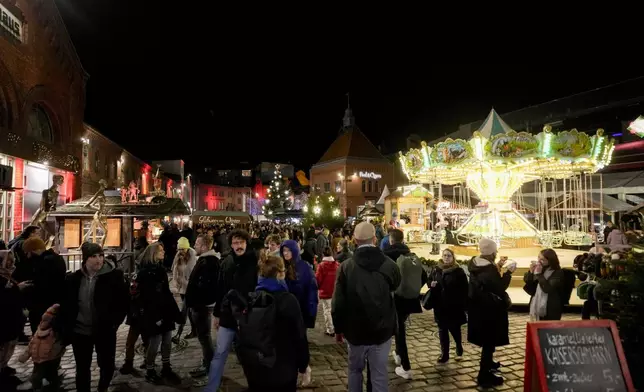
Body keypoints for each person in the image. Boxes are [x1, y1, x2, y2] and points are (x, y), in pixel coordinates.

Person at [332, 222, 401, 392]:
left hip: (355, 331)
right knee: (379, 374)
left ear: (355, 240)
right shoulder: (389, 264)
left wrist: (338, 328)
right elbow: (396, 285)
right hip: (382, 329)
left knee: (355, 371)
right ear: (375, 239)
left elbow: (338, 302)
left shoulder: (346, 267)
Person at [229, 253, 310, 391]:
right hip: (283, 367)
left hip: (255, 367)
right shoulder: (288, 300)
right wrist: (304, 365)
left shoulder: (251, 298)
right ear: (279, 274)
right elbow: (299, 336)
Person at [60, 242, 129, 392]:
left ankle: (102, 388)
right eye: (93, 256)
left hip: (104, 330)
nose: (98, 259)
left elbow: (123, 302)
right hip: (80, 332)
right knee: (82, 368)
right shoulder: (74, 279)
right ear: (85, 259)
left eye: (101, 255)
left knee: (107, 365)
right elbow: (67, 304)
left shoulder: (114, 276)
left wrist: (114, 323)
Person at [205, 229, 258, 392]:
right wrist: (216, 314)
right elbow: (220, 289)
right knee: (220, 352)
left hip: (247, 315)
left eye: (241, 242)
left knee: (249, 355)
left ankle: (255, 385)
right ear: (231, 245)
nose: (238, 245)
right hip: (228, 315)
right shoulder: (227, 262)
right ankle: (211, 388)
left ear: (246, 243)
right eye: (235, 243)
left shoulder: (255, 261)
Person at [467, 238, 515, 388]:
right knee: (489, 340)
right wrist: (508, 273)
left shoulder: (475, 263)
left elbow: (487, 282)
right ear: (492, 252)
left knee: (486, 339)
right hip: (489, 309)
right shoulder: (488, 270)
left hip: (478, 307)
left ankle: (489, 363)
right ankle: (484, 374)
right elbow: (499, 287)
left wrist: (498, 265)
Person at [134, 242, 182, 384]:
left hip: (165, 310)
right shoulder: (144, 273)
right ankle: (150, 369)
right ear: (154, 253)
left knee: (167, 340)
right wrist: (154, 316)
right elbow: (145, 297)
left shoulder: (160, 270)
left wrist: (175, 312)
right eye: (160, 250)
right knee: (154, 342)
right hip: (154, 313)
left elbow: (166, 293)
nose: (163, 252)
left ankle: (166, 366)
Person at [384, 229, 427, 379]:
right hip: (410, 299)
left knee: (399, 330)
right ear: (402, 239)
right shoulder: (411, 255)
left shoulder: (387, 255)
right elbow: (424, 276)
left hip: (394, 298)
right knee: (399, 328)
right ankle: (398, 355)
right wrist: (412, 289)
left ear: (391, 239)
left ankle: (406, 367)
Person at [184, 234, 220, 378]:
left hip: (202, 306)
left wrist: (196, 301)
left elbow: (206, 287)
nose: (195, 246)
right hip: (200, 305)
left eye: (197, 244)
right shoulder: (206, 260)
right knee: (204, 337)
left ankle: (209, 366)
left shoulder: (209, 262)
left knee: (204, 337)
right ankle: (208, 363)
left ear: (205, 246)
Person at [429, 248, 468, 363]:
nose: (446, 258)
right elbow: (429, 280)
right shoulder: (436, 269)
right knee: (442, 330)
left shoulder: (458, 271)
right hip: (440, 305)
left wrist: (463, 304)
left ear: (453, 257)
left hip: (453, 306)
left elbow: (464, 289)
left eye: (449, 256)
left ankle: (459, 347)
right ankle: (444, 354)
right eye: (445, 255)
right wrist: (431, 284)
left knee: (454, 329)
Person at [18, 304, 66, 391]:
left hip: (38, 358)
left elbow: (31, 345)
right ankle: (47, 384)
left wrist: (23, 357)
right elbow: (58, 347)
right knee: (49, 373)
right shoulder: (54, 333)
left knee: (39, 373)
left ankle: (39, 384)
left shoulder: (38, 331)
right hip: (49, 358)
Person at [0, 250, 28, 388]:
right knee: (3, 346)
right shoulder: (2, 279)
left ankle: (4, 368)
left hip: (12, 318)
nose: (11, 263)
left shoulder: (8, 276)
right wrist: (17, 289)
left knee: (9, 345)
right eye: (8, 261)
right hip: (4, 320)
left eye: (12, 260)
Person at [524, 249, 564, 321]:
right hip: (536, 303)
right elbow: (528, 283)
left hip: (551, 307)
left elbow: (547, 289)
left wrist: (539, 275)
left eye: (542, 259)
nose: (539, 261)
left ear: (550, 260)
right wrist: (531, 272)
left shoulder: (557, 272)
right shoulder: (539, 268)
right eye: (538, 257)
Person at [172, 237, 198, 342]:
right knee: (189, 312)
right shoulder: (178, 257)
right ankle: (195, 330)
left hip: (191, 288)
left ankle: (178, 334)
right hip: (182, 288)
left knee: (184, 311)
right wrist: (176, 284)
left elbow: (191, 273)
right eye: (179, 249)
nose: (180, 251)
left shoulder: (193, 257)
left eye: (183, 249)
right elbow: (175, 270)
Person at [316, 246, 339, 337]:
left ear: (323, 254)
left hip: (326, 291)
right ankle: (338, 328)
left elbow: (318, 279)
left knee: (327, 311)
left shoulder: (321, 266)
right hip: (336, 291)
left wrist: (317, 287)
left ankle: (330, 329)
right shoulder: (337, 264)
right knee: (335, 310)